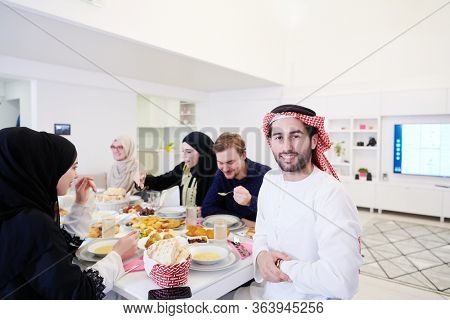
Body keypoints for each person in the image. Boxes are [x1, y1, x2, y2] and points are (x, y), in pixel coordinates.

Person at [236, 104, 362, 300]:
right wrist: (261, 255)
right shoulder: (270, 180)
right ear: (271, 142)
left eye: (295, 136)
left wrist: (281, 266)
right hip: (269, 294)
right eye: (278, 137)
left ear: (313, 141)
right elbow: (262, 233)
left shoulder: (330, 193)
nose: (286, 147)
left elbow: (343, 281)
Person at [0, 127, 138, 299]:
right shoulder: (32, 222)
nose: (76, 174)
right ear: (47, 167)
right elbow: (78, 294)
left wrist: (80, 204)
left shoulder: (12, 211)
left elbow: (50, 254)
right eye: (73, 167)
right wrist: (117, 255)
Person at [201, 133, 271, 228]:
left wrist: (250, 201)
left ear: (243, 155)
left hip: (260, 233)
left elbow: (276, 213)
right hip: (234, 233)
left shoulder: (266, 175)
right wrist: (241, 220)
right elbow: (207, 209)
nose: (225, 169)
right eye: (220, 162)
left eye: (230, 162)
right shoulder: (220, 175)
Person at [143, 131, 217, 207]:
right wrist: (143, 178)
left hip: (211, 218)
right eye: (183, 151)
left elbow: (223, 206)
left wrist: (205, 210)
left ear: (202, 152)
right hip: (186, 218)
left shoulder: (218, 173)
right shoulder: (184, 168)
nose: (183, 156)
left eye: (188, 152)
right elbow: (161, 182)